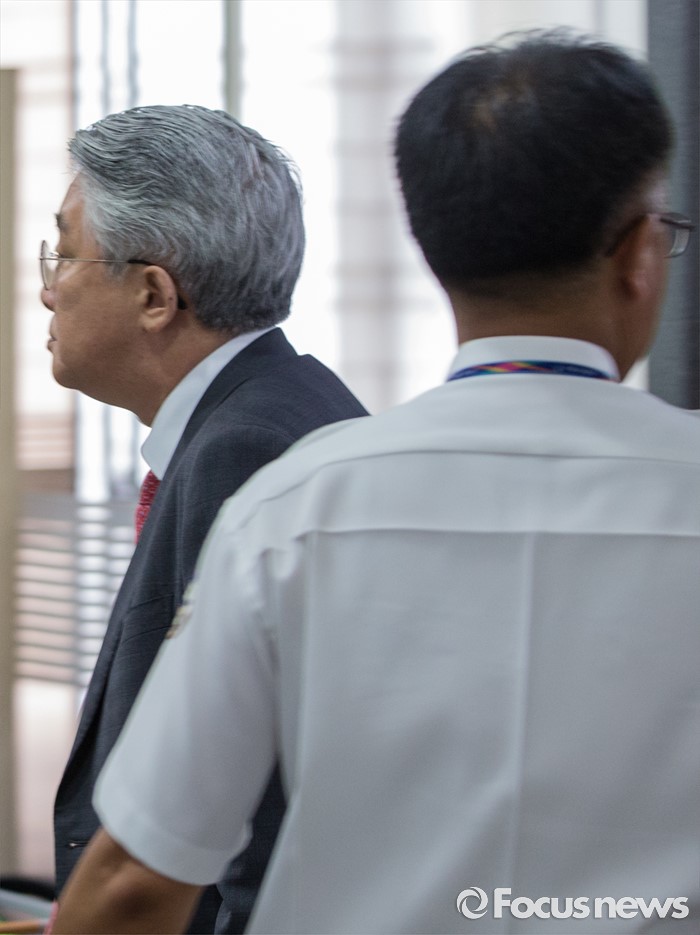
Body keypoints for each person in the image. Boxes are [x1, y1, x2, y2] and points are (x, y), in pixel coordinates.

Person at [53, 30, 699, 934]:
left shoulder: (291, 506)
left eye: (60, 255)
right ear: (637, 256)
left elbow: (138, 877)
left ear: (434, 248)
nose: (46, 288)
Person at [43, 104, 367, 934]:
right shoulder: (271, 410)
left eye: (65, 254)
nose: (47, 287)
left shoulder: (247, 450)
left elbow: (263, 815)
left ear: (154, 294)